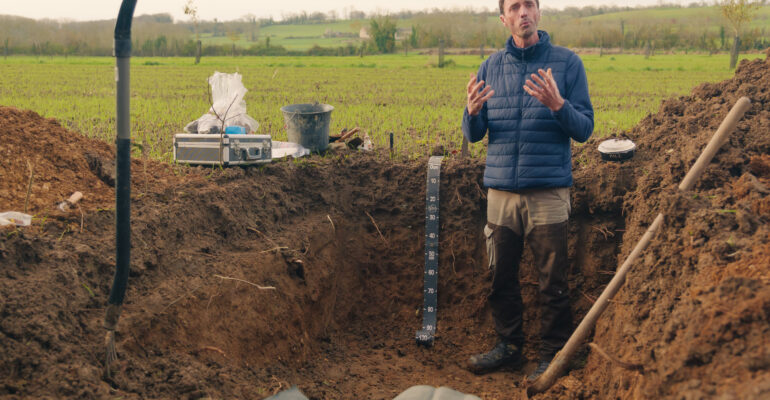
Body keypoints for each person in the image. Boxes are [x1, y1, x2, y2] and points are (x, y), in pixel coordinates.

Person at [462, 0, 594, 381]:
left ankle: (553, 353)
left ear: (539, 13)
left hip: (548, 192)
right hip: (501, 192)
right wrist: (470, 113)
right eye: (515, 6)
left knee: (553, 280)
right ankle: (509, 346)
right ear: (503, 18)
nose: (524, 12)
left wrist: (558, 105)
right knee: (500, 276)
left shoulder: (567, 64)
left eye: (530, 5)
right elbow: (475, 134)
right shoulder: (490, 67)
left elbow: (584, 129)